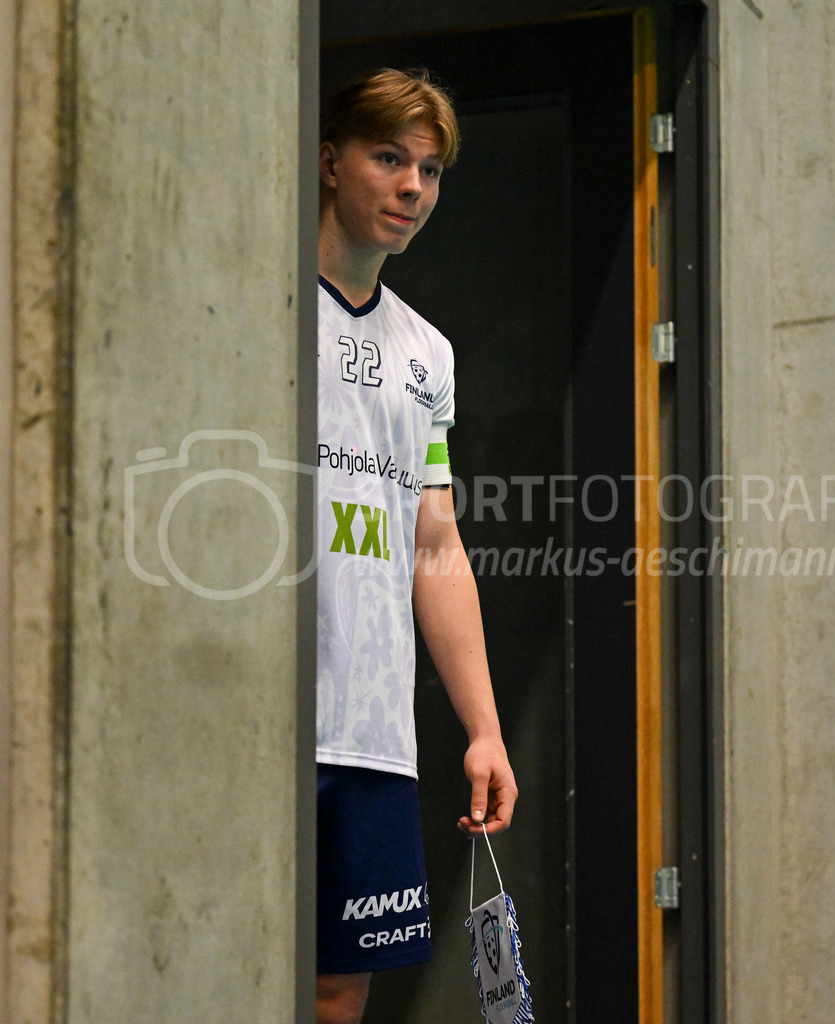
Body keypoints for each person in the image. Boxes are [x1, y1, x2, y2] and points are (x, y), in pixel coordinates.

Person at [315, 68, 518, 1024]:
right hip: (254, 721)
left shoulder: (425, 355)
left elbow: (434, 543)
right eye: (388, 157)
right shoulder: (254, 311)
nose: (411, 189)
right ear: (329, 161)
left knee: (337, 992)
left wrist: (482, 726)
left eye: (429, 171)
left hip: (373, 734)